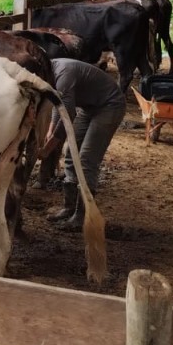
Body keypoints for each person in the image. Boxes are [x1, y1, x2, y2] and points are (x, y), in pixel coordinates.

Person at [37, 57, 125, 230]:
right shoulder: (51, 72)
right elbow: (58, 105)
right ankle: (69, 207)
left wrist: (47, 149)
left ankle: (81, 215)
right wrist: (51, 130)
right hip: (89, 107)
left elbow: (68, 113)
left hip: (110, 105)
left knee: (86, 159)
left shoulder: (63, 74)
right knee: (71, 151)